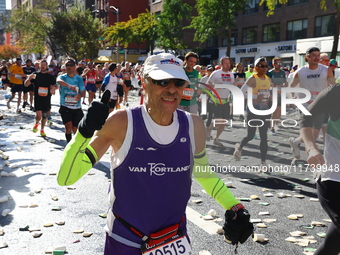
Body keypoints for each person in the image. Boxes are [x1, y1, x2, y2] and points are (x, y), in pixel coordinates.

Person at [57, 53, 253, 254]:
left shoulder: (194, 125)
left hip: (174, 240)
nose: (171, 89)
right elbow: (66, 178)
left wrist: (235, 206)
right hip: (126, 241)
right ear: (144, 82)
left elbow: (204, 174)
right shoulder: (122, 122)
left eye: (178, 82)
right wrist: (84, 132)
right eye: (162, 81)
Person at [300, 83, 340, 255]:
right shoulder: (336, 93)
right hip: (334, 180)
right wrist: (311, 148)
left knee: (331, 247)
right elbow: (306, 118)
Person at [289, 47, 334, 161]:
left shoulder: (325, 70)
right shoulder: (300, 72)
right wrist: (293, 98)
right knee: (311, 137)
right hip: (305, 106)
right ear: (307, 57)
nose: (317, 57)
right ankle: (315, 166)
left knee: (312, 136)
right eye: (314, 55)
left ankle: (296, 142)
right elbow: (291, 87)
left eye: (318, 55)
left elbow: (333, 86)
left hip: (321, 105)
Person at [234, 58, 273, 170]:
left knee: (263, 136)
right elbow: (241, 92)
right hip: (252, 111)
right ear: (256, 67)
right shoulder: (252, 78)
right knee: (250, 135)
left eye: (266, 66)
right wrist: (256, 97)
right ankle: (239, 147)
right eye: (262, 66)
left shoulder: (268, 79)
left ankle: (263, 162)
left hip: (264, 111)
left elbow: (268, 93)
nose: (265, 68)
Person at [206, 56, 236, 147]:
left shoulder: (231, 74)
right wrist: (216, 85)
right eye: (226, 63)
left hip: (225, 101)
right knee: (219, 121)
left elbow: (233, 85)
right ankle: (209, 129)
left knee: (224, 122)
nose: (228, 65)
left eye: (229, 63)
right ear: (221, 64)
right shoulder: (216, 73)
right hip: (216, 100)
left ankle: (216, 139)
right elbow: (208, 83)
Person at [24, 60, 57, 137]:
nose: (43, 66)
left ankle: (42, 130)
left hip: (47, 98)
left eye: (44, 65)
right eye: (41, 64)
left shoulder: (50, 76)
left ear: (46, 66)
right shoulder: (35, 75)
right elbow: (26, 85)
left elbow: (55, 85)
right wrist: (29, 79)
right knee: (39, 115)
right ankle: (36, 123)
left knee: (44, 115)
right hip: (38, 98)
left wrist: (54, 88)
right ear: (39, 66)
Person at [57, 59, 86, 143]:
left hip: (76, 107)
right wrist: (70, 86)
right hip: (65, 106)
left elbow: (83, 92)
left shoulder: (79, 79)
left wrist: (79, 95)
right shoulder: (62, 77)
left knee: (75, 129)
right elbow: (58, 81)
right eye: (67, 65)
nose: (69, 67)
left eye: (71, 65)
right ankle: (69, 144)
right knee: (68, 126)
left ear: (75, 67)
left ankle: (75, 144)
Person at [266, 57, 288, 135]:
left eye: (280, 63)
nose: (279, 65)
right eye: (278, 63)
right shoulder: (269, 72)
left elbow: (285, 82)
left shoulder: (282, 72)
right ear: (273, 64)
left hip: (281, 93)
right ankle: (271, 128)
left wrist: (285, 85)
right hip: (273, 94)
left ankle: (276, 125)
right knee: (274, 111)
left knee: (279, 111)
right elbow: (267, 84)